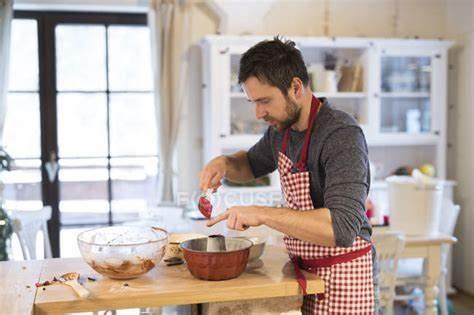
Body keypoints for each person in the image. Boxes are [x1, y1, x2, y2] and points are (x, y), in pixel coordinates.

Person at [199, 36, 377, 314]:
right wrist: (223, 163)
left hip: (344, 278)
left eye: (265, 101)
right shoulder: (281, 130)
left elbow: (342, 228)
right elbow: (251, 164)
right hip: (301, 273)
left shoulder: (341, 134)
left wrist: (263, 213)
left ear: (295, 87)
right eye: (253, 102)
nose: (258, 113)